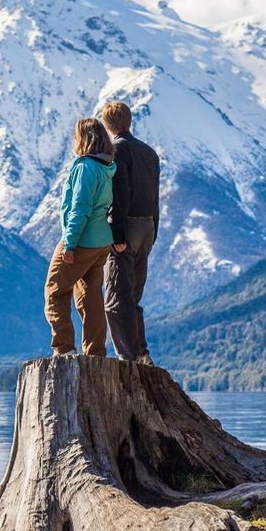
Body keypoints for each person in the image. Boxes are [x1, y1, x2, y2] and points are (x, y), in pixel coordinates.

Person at [44, 118, 117, 357]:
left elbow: (80, 207)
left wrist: (70, 243)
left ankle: (64, 349)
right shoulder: (107, 167)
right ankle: (95, 351)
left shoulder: (85, 167)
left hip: (82, 241)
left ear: (84, 138)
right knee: (90, 296)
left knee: (55, 290)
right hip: (101, 241)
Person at [100, 101, 161, 366]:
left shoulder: (116, 150)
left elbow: (120, 192)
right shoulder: (149, 152)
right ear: (130, 121)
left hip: (126, 226)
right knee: (133, 296)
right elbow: (155, 196)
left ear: (107, 124)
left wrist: (117, 234)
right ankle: (142, 353)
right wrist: (153, 230)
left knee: (115, 297)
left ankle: (128, 359)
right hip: (147, 226)